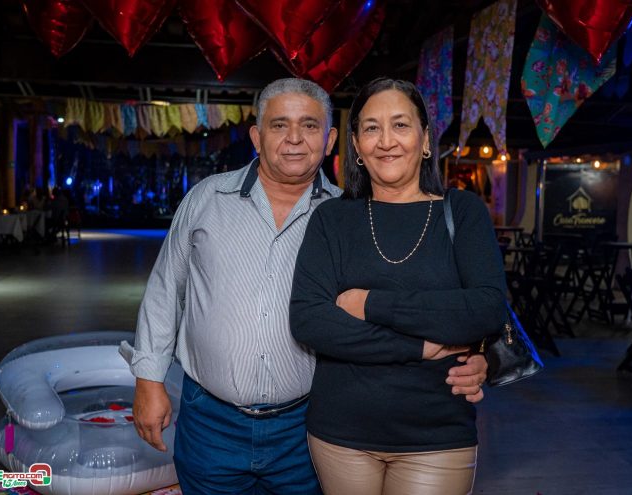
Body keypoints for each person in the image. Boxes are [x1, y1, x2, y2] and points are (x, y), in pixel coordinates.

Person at [120, 78, 489, 494]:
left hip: (305, 425)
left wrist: (474, 352)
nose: (294, 138)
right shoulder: (207, 199)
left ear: (330, 140)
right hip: (211, 420)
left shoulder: (347, 216)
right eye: (279, 125)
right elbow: (165, 291)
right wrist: (148, 379)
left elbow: (430, 294)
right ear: (257, 137)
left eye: (310, 126)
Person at [289, 77, 507, 495]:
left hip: (436, 434)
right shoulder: (332, 219)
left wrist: (369, 304)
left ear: (424, 140)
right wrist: (420, 346)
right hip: (341, 433)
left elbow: (485, 309)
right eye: (371, 128)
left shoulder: (462, 212)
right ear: (357, 145)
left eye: (401, 125)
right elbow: (310, 320)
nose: (386, 141)